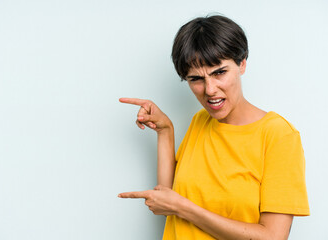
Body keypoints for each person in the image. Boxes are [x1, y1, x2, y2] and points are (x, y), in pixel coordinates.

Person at [118, 14, 310, 240]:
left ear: (242, 64)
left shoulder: (279, 135)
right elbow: (168, 198)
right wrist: (165, 130)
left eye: (219, 72)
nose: (209, 89)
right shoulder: (201, 121)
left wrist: (184, 208)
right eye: (196, 79)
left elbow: (273, 237)